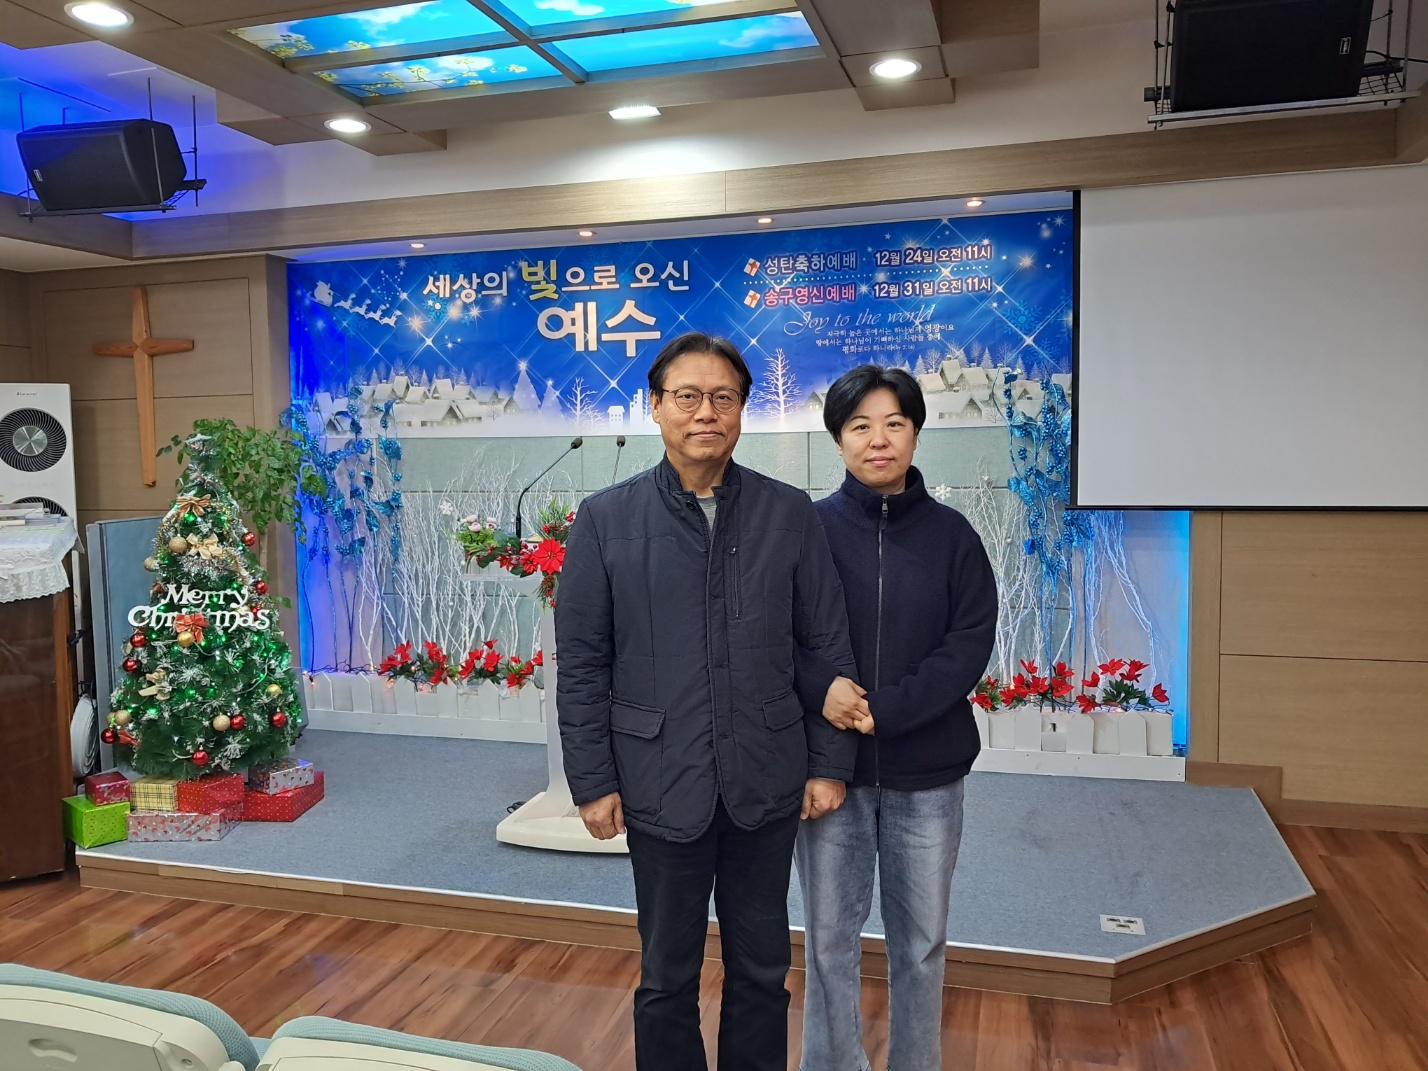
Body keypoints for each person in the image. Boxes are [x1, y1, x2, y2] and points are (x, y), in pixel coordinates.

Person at [555, 332, 865, 1071]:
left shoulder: (788, 512)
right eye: (688, 396)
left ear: (742, 410)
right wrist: (592, 781)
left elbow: (826, 644)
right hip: (660, 778)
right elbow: (583, 665)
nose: (706, 413)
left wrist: (830, 764)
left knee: (761, 969)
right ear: (655, 407)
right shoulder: (606, 519)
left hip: (766, 774)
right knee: (667, 974)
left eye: (723, 397)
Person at [793, 364, 998, 1071]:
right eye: (860, 426)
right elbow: (773, 633)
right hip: (830, 772)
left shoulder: (954, 536)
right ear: (838, 439)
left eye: (894, 424)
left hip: (927, 773)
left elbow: (968, 643)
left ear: (914, 433)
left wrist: (886, 709)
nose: (877, 440)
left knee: (921, 943)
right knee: (828, 941)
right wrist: (822, 689)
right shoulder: (807, 530)